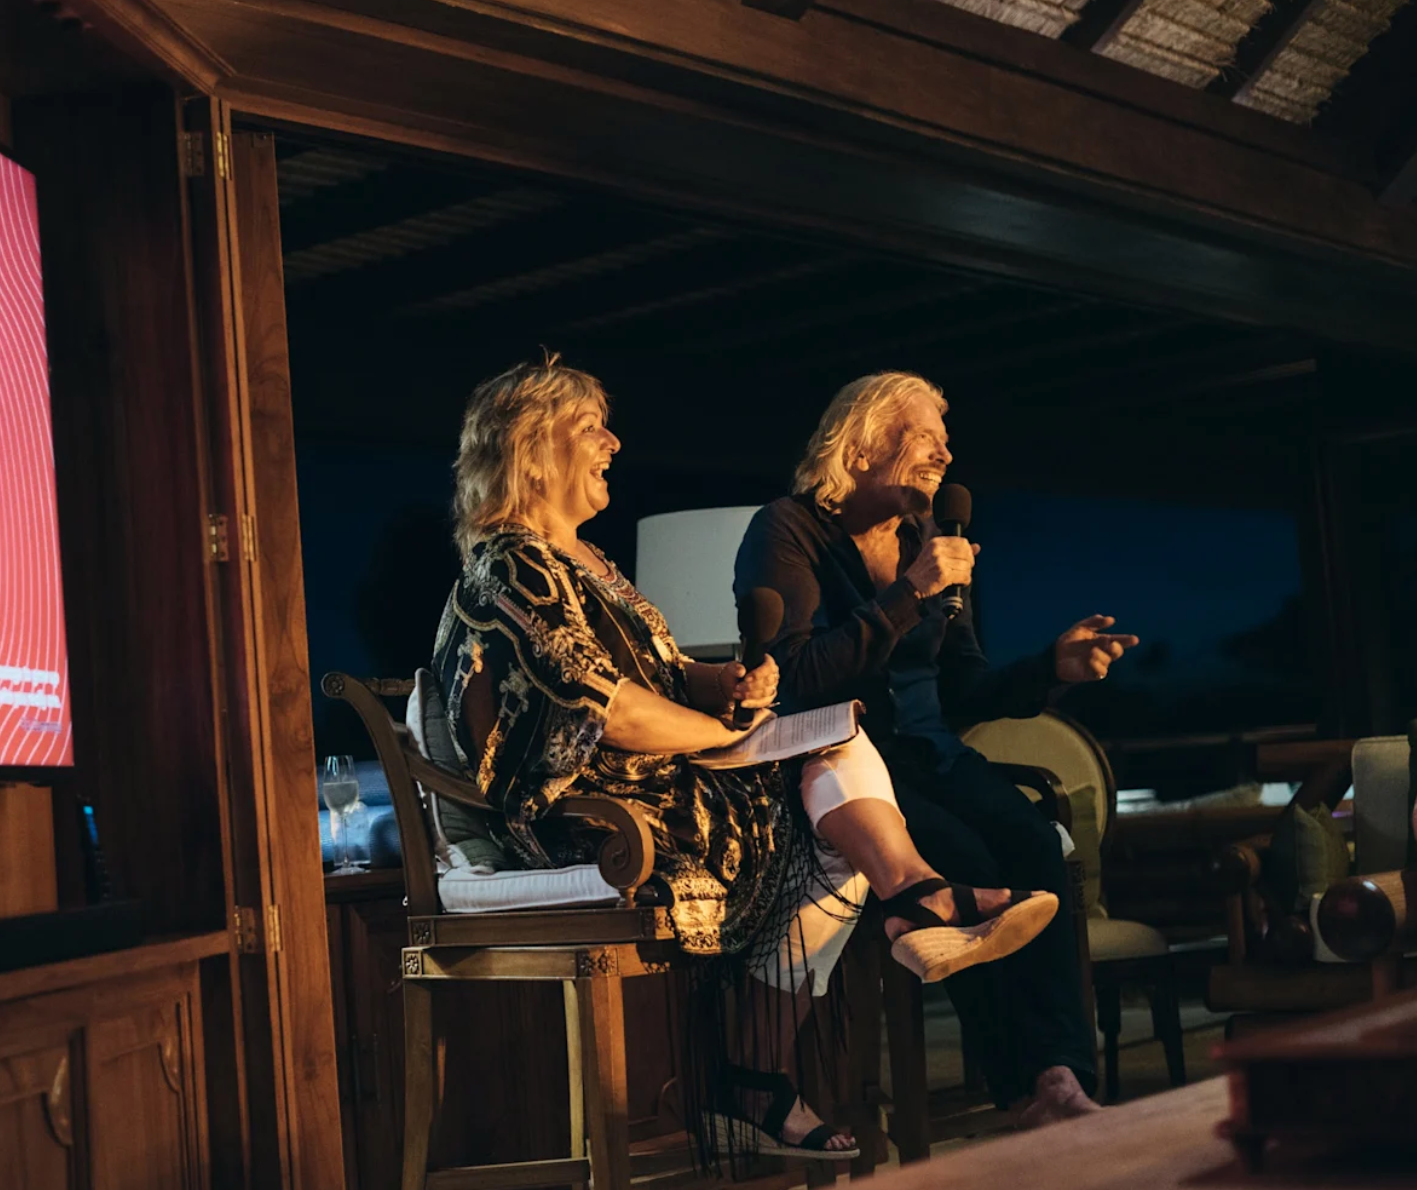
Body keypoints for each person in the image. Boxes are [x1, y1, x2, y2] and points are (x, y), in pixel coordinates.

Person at [430, 355, 1058, 1159]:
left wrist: (719, 682)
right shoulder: (511, 564)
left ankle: (783, 1051)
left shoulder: (588, 563)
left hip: (660, 792)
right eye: (592, 427)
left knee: (834, 760)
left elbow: (660, 673)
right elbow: (611, 708)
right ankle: (892, 927)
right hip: (596, 816)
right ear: (530, 447)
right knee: (833, 795)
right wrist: (728, 736)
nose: (615, 442)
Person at [733, 370, 1139, 1129]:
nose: (945, 452)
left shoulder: (930, 541)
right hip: (847, 768)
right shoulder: (787, 530)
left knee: (1032, 843)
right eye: (924, 434)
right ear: (860, 443)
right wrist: (908, 594)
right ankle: (1021, 1090)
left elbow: (965, 687)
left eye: (943, 439)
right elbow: (795, 675)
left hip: (934, 753)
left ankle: (1059, 1076)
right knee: (966, 866)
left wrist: (1050, 669)